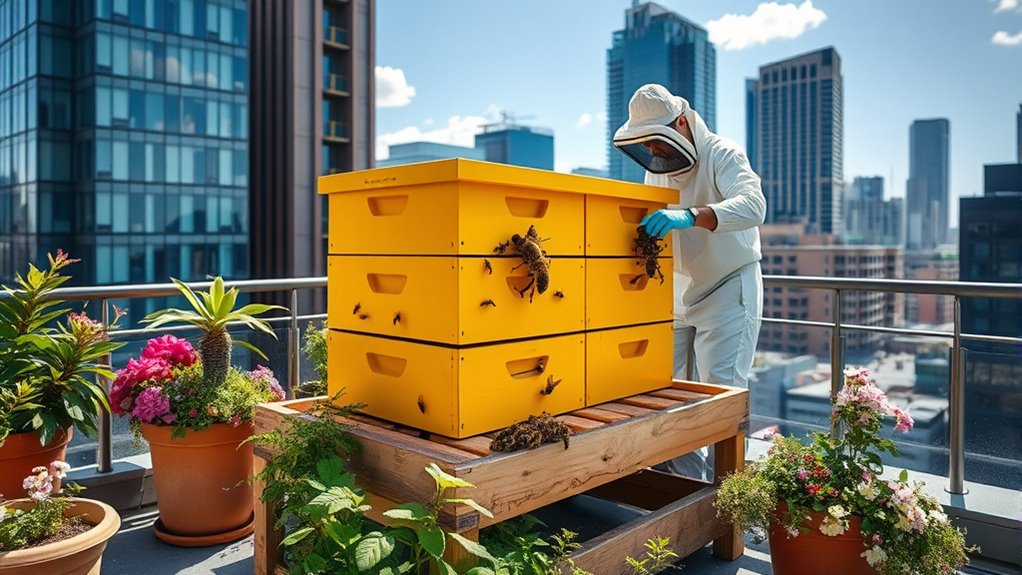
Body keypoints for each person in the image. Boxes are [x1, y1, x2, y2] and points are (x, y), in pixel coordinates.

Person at [613, 83, 765, 480]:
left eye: (660, 143)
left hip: (728, 287)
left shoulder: (723, 153)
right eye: (648, 146)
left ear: (681, 122)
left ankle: (726, 509)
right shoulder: (655, 173)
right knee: (669, 395)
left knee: (722, 400)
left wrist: (693, 216)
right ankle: (687, 496)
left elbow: (754, 205)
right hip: (677, 295)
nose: (654, 154)